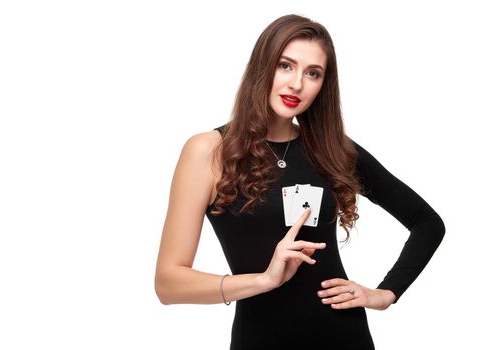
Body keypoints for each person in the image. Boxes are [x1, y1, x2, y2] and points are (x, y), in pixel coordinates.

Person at [154, 14, 445, 349]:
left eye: (313, 73)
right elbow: (168, 283)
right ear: (262, 67)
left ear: (323, 85)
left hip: (344, 337)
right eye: (285, 66)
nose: (297, 84)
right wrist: (262, 281)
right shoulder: (208, 151)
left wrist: (385, 294)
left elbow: (427, 222)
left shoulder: (334, 150)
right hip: (261, 339)